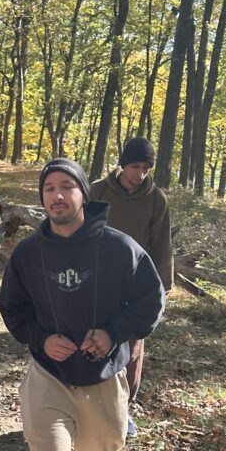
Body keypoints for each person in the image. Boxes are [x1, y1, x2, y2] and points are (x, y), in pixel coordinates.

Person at [0, 158, 164, 451]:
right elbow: (12, 308)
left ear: (83, 195)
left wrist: (113, 333)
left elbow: (151, 300)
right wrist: (40, 338)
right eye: (48, 188)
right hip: (49, 376)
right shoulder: (29, 254)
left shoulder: (119, 248)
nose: (56, 195)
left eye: (66, 186)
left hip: (103, 377)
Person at [89, 137, 173, 435]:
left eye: (145, 167)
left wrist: (162, 288)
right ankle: (89, 407)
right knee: (94, 343)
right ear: (123, 164)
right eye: (135, 166)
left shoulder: (156, 200)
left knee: (133, 348)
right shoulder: (98, 191)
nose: (139, 174)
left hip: (138, 284)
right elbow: (83, 234)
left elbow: (162, 246)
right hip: (99, 280)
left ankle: (124, 410)